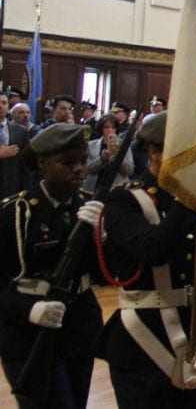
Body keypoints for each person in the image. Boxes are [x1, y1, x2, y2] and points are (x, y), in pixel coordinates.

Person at [96, 111, 196, 407]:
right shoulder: (124, 200)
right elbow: (153, 249)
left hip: (191, 341)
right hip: (142, 343)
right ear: (154, 152)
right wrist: (186, 200)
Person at [0, 124, 104, 408]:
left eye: (83, 162)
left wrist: (102, 237)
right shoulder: (17, 213)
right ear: (42, 163)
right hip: (28, 334)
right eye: (67, 163)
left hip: (78, 326)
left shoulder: (86, 208)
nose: (79, 170)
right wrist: (29, 309)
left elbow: (105, 272)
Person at [83, 114, 135, 194]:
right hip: (93, 189)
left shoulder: (124, 145)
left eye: (113, 128)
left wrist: (117, 155)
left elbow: (129, 170)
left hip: (116, 190)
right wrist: (102, 159)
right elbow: (86, 168)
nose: (110, 130)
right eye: (106, 127)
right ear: (101, 129)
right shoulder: (91, 145)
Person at [0, 94, 32, 197]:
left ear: (8, 107)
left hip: (11, 188)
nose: (1, 106)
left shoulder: (20, 131)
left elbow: (26, 163)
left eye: (4, 103)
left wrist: (26, 190)